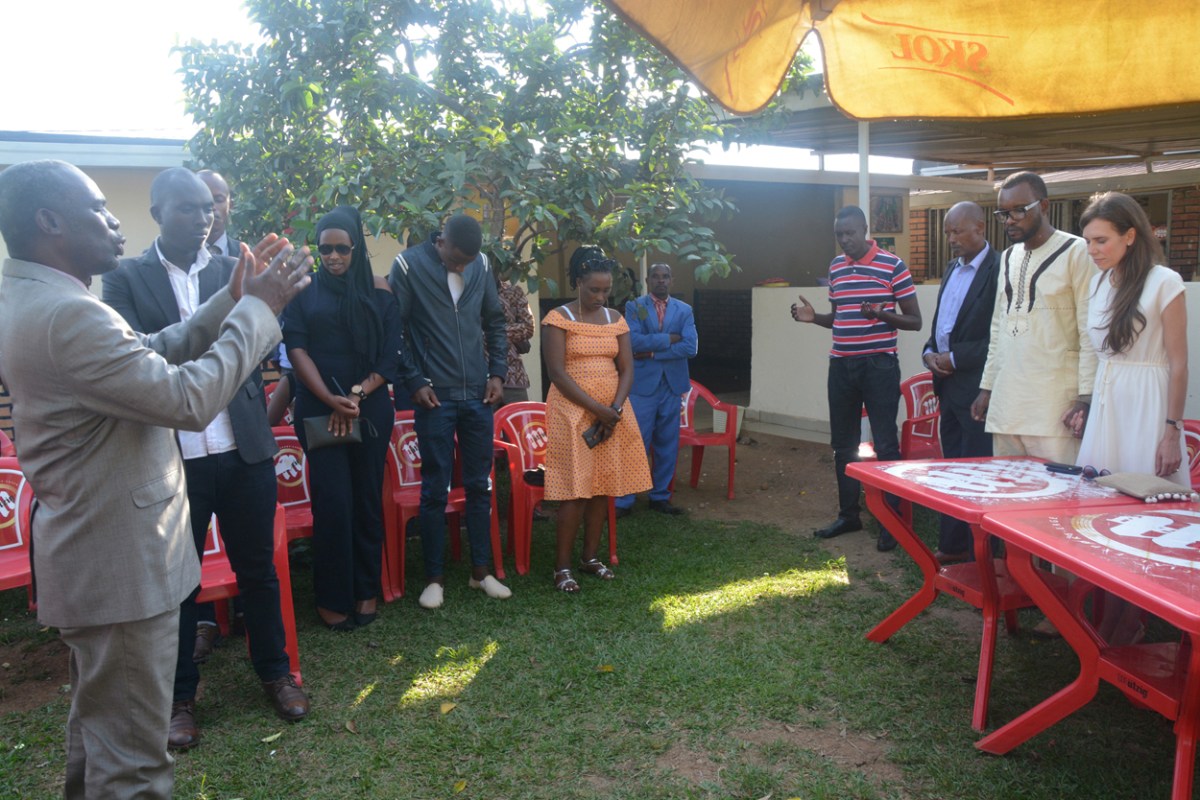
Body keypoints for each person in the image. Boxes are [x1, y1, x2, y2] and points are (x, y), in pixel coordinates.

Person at [0, 159, 310, 800]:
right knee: (133, 767)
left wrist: (231, 299)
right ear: (50, 221)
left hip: (94, 555)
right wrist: (258, 311)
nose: (114, 221)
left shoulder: (36, 298)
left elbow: (150, 350)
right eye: (98, 208)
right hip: (118, 564)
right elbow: (186, 398)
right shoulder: (68, 314)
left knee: (101, 734)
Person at [102, 168, 309, 750]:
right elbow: (140, 359)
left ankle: (277, 674)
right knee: (177, 587)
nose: (204, 216)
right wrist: (224, 328)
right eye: (189, 208)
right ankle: (178, 700)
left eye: (209, 207)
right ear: (157, 213)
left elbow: (263, 341)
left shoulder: (233, 268)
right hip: (172, 458)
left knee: (259, 572)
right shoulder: (124, 278)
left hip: (243, 448)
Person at [1065, 192, 1189, 645]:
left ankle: (1132, 618)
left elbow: (1179, 363)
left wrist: (1171, 431)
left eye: (1101, 240)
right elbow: (1100, 354)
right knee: (1104, 511)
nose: (1093, 249)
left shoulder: (1164, 282)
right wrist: (1087, 405)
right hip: (1109, 403)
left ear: (1130, 236)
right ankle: (1110, 613)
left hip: (1149, 406)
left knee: (1142, 514)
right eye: (1088, 241)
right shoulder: (1100, 283)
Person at [282, 206, 403, 631]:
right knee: (333, 502)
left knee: (366, 498)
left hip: (369, 408)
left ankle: (365, 589)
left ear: (356, 248)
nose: (333, 257)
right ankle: (333, 596)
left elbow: (390, 354)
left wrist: (354, 395)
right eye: (325, 249)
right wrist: (329, 399)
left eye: (342, 249)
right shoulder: (304, 291)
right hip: (319, 408)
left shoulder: (380, 290)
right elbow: (296, 348)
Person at [388, 214, 512, 609]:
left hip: (478, 395)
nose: (461, 268)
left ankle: (481, 573)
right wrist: (415, 380)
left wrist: (497, 373)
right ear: (441, 242)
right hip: (435, 397)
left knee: (480, 485)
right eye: (456, 260)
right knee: (434, 488)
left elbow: (495, 322)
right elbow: (395, 331)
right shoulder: (408, 265)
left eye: (467, 262)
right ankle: (434, 579)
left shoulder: (482, 264)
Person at [792, 206, 922, 552]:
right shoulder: (836, 267)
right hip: (841, 366)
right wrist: (814, 318)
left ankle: (891, 522)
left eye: (850, 233)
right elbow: (839, 318)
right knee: (843, 444)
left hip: (879, 366)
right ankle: (849, 515)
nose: (845, 240)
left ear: (865, 229)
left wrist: (882, 314)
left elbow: (915, 321)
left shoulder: (893, 266)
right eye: (839, 234)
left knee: (886, 444)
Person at [542, 247, 651, 593]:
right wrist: (597, 409)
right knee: (575, 490)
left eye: (606, 290)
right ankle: (562, 567)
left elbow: (627, 368)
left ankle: (589, 558)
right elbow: (557, 373)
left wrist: (614, 409)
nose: (600, 296)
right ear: (578, 282)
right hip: (571, 413)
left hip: (612, 414)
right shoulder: (557, 318)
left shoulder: (615, 318)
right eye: (594, 289)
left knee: (603, 488)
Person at [971, 171, 1098, 463]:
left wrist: (1085, 398)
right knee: (1006, 488)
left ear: (1043, 206)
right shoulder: (1007, 257)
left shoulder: (1077, 251)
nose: (1010, 220)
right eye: (1004, 213)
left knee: (1057, 490)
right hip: (1007, 406)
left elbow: (1089, 329)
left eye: (1019, 210)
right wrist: (987, 387)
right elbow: (999, 326)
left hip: (1055, 408)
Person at [920, 202, 1000, 562]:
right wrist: (929, 353)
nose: (951, 239)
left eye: (957, 231)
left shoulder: (998, 270)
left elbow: (997, 338)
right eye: (947, 232)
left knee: (977, 473)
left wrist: (953, 358)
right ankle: (952, 546)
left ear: (980, 228)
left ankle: (980, 556)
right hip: (947, 387)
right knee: (950, 469)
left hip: (978, 390)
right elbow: (942, 324)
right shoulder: (952, 268)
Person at [616, 262, 697, 518]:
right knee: (636, 442)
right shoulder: (635, 307)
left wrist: (652, 352)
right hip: (642, 386)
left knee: (667, 443)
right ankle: (624, 500)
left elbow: (690, 347)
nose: (661, 280)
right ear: (648, 280)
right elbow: (632, 341)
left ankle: (660, 497)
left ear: (672, 280)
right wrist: (669, 339)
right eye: (656, 276)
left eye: (665, 276)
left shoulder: (684, 310)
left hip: (672, 386)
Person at [496, 272, 535, 405]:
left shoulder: (514, 291)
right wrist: (513, 331)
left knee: (519, 417)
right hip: (480, 379)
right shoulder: (469, 292)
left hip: (514, 376)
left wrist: (492, 331)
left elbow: (528, 327)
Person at [197, 169, 242, 258]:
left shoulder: (247, 255)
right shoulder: (174, 257)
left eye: (218, 200)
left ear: (230, 205)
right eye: (204, 199)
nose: (212, 207)